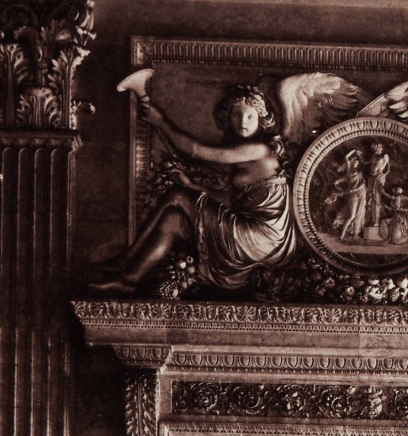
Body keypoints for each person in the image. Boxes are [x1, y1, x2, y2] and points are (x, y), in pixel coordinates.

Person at [93, 81, 297, 293]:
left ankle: (127, 257)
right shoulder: (246, 154)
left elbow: (195, 149)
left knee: (178, 195)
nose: (242, 121)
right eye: (236, 115)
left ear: (261, 120)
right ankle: (130, 278)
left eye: (249, 116)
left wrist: (161, 121)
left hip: (261, 238)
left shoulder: (258, 150)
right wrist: (194, 184)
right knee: (173, 220)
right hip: (255, 234)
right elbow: (232, 200)